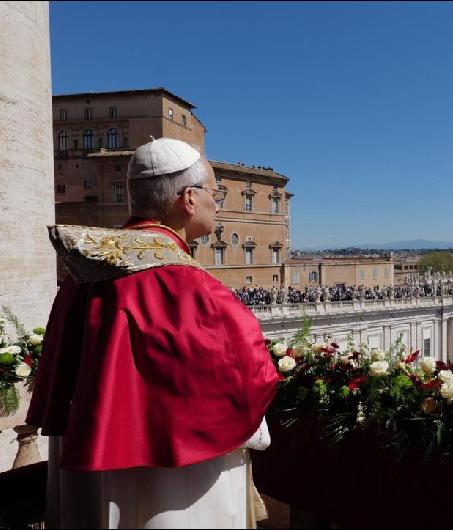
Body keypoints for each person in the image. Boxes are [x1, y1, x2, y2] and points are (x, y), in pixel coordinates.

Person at [26, 137, 281, 529]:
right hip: (177, 480)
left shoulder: (84, 272)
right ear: (188, 199)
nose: (218, 203)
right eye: (214, 192)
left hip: (92, 459)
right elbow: (252, 375)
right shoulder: (191, 285)